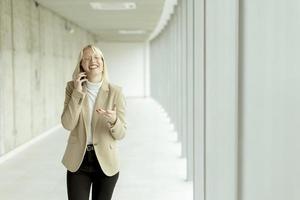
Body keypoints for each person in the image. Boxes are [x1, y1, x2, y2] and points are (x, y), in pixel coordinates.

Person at [60, 44, 127, 200]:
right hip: (78, 160)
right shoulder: (71, 88)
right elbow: (67, 124)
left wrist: (114, 121)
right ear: (81, 65)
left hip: (106, 162)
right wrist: (77, 93)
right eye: (87, 58)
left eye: (97, 57)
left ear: (103, 63)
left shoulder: (116, 92)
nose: (93, 61)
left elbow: (122, 133)